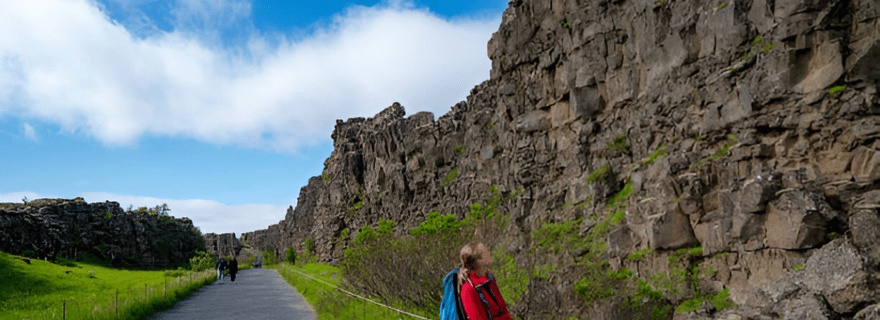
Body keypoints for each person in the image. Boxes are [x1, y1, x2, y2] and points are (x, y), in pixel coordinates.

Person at [459, 242, 512, 320]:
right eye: (485, 251)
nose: (489, 252)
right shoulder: (468, 289)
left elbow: (503, 309)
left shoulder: (489, 277)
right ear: (478, 261)